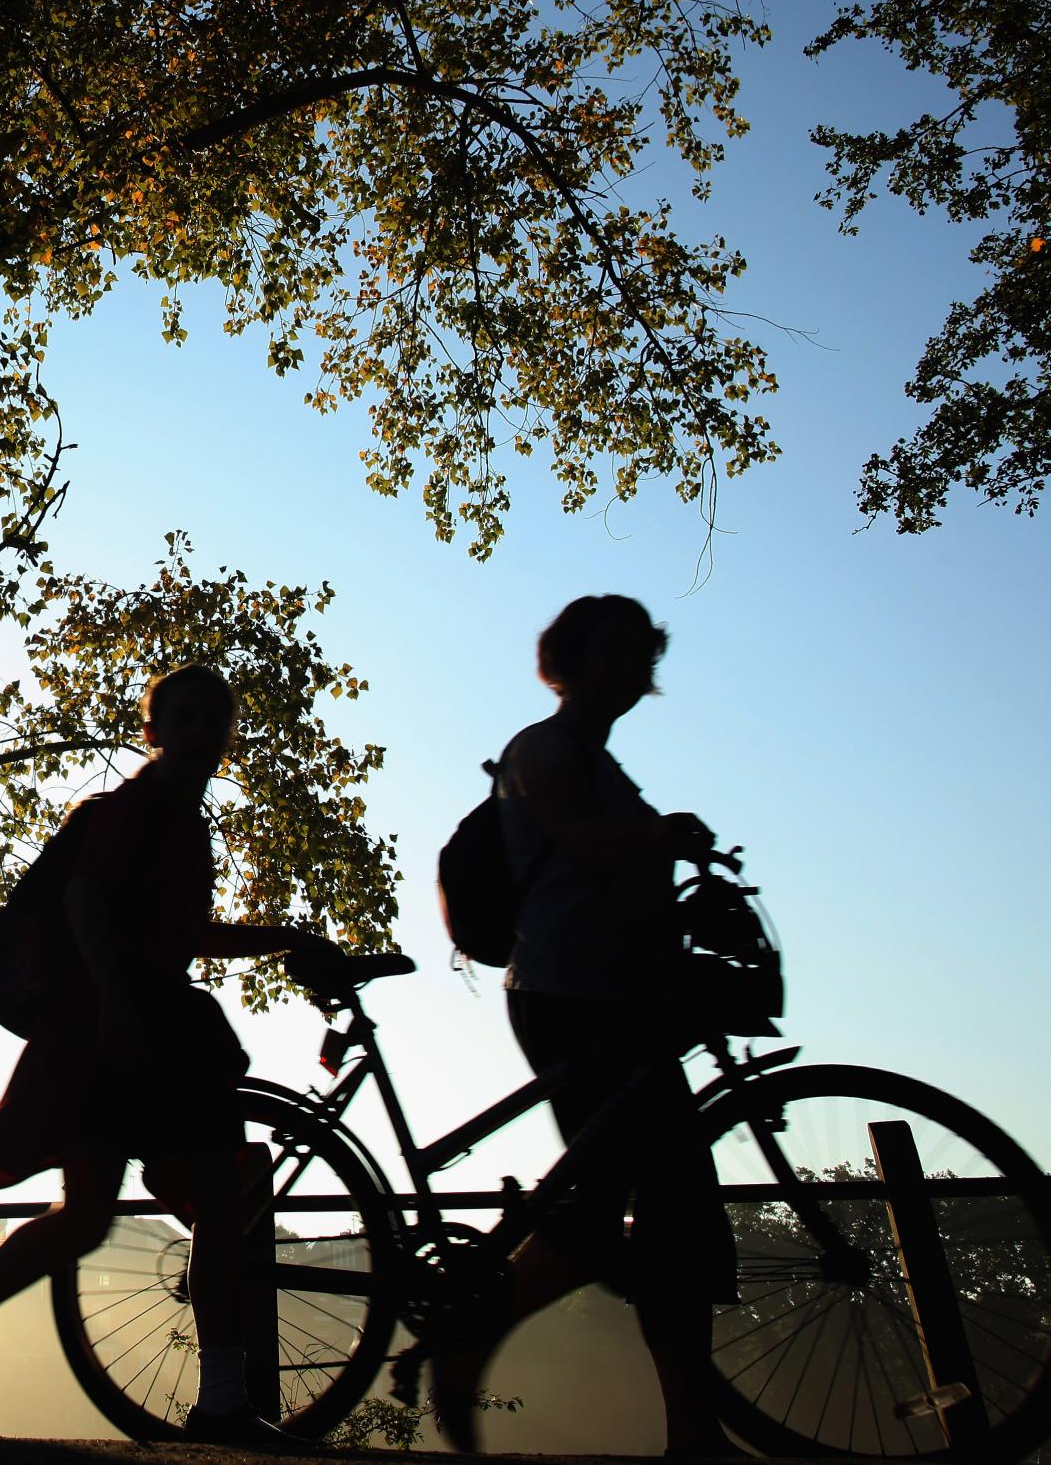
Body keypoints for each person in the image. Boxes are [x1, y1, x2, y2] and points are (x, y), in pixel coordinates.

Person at [0, 662, 339, 1448]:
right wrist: (119, 999)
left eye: (213, 718)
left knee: (100, 1216)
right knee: (196, 1207)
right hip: (129, 1029)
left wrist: (285, 938)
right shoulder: (143, 806)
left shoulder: (183, 824)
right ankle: (221, 1398)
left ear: (226, 736)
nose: (200, 729)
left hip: (135, 1028)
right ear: (153, 730)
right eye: (182, 716)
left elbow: (182, 935)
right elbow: (84, 897)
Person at [429, 595, 738, 1459]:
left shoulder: (607, 768)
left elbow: (620, 870)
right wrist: (665, 835)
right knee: (613, 1209)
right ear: (566, 662)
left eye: (640, 655)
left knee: (673, 1212)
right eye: (612, 653)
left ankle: (695, 1431)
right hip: (569, 996)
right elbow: (586, 845)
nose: (631, 670)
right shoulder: (543, 750)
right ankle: (469, 1336)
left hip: (626, 1000)